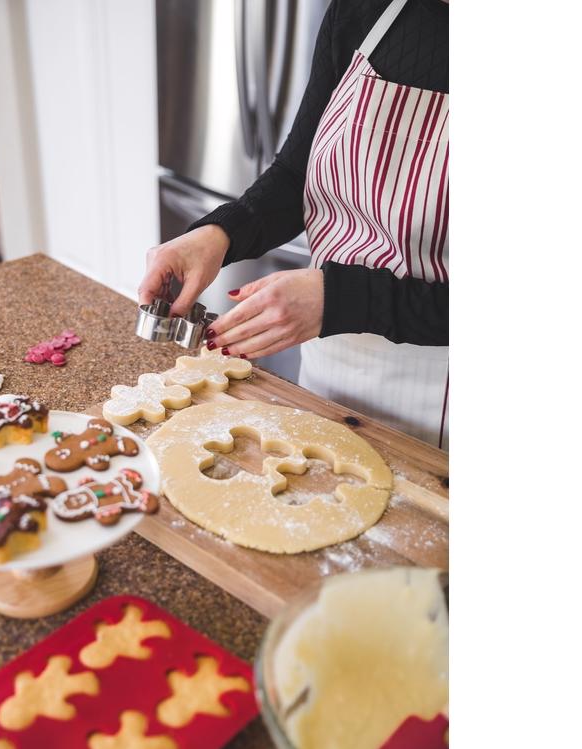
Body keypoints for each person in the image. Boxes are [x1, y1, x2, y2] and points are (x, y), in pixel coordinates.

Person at [139, 0, 449, 449]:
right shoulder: (367, 10)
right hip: (333, 370)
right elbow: (295, 174)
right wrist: (217, 234)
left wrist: (338, 300)